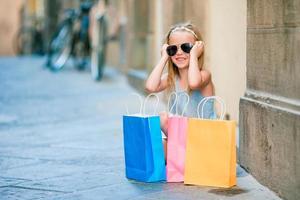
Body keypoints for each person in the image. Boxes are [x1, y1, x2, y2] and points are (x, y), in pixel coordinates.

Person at [145, 22, 216, 154]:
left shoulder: (204, 76)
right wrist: (164, 58)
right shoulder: (171, 78)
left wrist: (194, 55)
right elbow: (150, 86)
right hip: (183, 138)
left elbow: (194, 83)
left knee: (164, 119)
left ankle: (186, 159)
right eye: (173, 49)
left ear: (196, 49)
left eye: (186, 47)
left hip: (205, 136)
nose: (179, 53)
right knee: (155, 145)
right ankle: (180, 161)